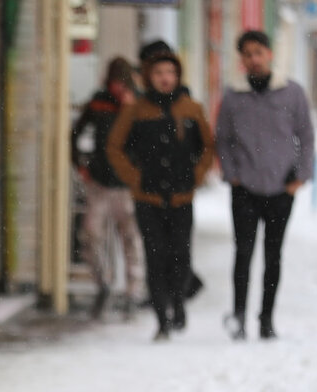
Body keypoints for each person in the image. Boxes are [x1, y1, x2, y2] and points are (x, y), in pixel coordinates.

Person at [107, 44, 215, 341]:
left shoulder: (191, 109)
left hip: (182, 196)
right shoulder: (135, 111)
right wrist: (134, 177)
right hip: (148, 197)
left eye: (170, 72)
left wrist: (197, 174)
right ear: (147, 76)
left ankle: (179, 302)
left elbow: (207, 146)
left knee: (180, 254)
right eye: (158, 73)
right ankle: (161, 318)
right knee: (156, 256)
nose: (165, 78)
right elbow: (115, 147)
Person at [216, 30, 315, 341]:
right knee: (242, 253)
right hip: (244, 187)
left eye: (259, 52)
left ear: (269, 54)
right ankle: (239, 316)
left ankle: (266, 318)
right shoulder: (233, 96)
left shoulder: (291, 93)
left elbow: (306, 136)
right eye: (247, 54)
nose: (253, 59)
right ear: (241, 59)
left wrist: (299, 176)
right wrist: (232, 175)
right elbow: (223, 139)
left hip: (281, 188)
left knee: (274, 255)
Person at [71, 57, 144, 319]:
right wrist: (80, 163)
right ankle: (102, 284)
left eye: (120, 85)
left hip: (127, 185)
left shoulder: (138, 104)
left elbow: (147, 140)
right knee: (90, 235)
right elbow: (76, 133)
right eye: (112, 84)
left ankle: (133, 291)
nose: (116, 90)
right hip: (99, 182)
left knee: (131, 238)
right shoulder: (98, 102)